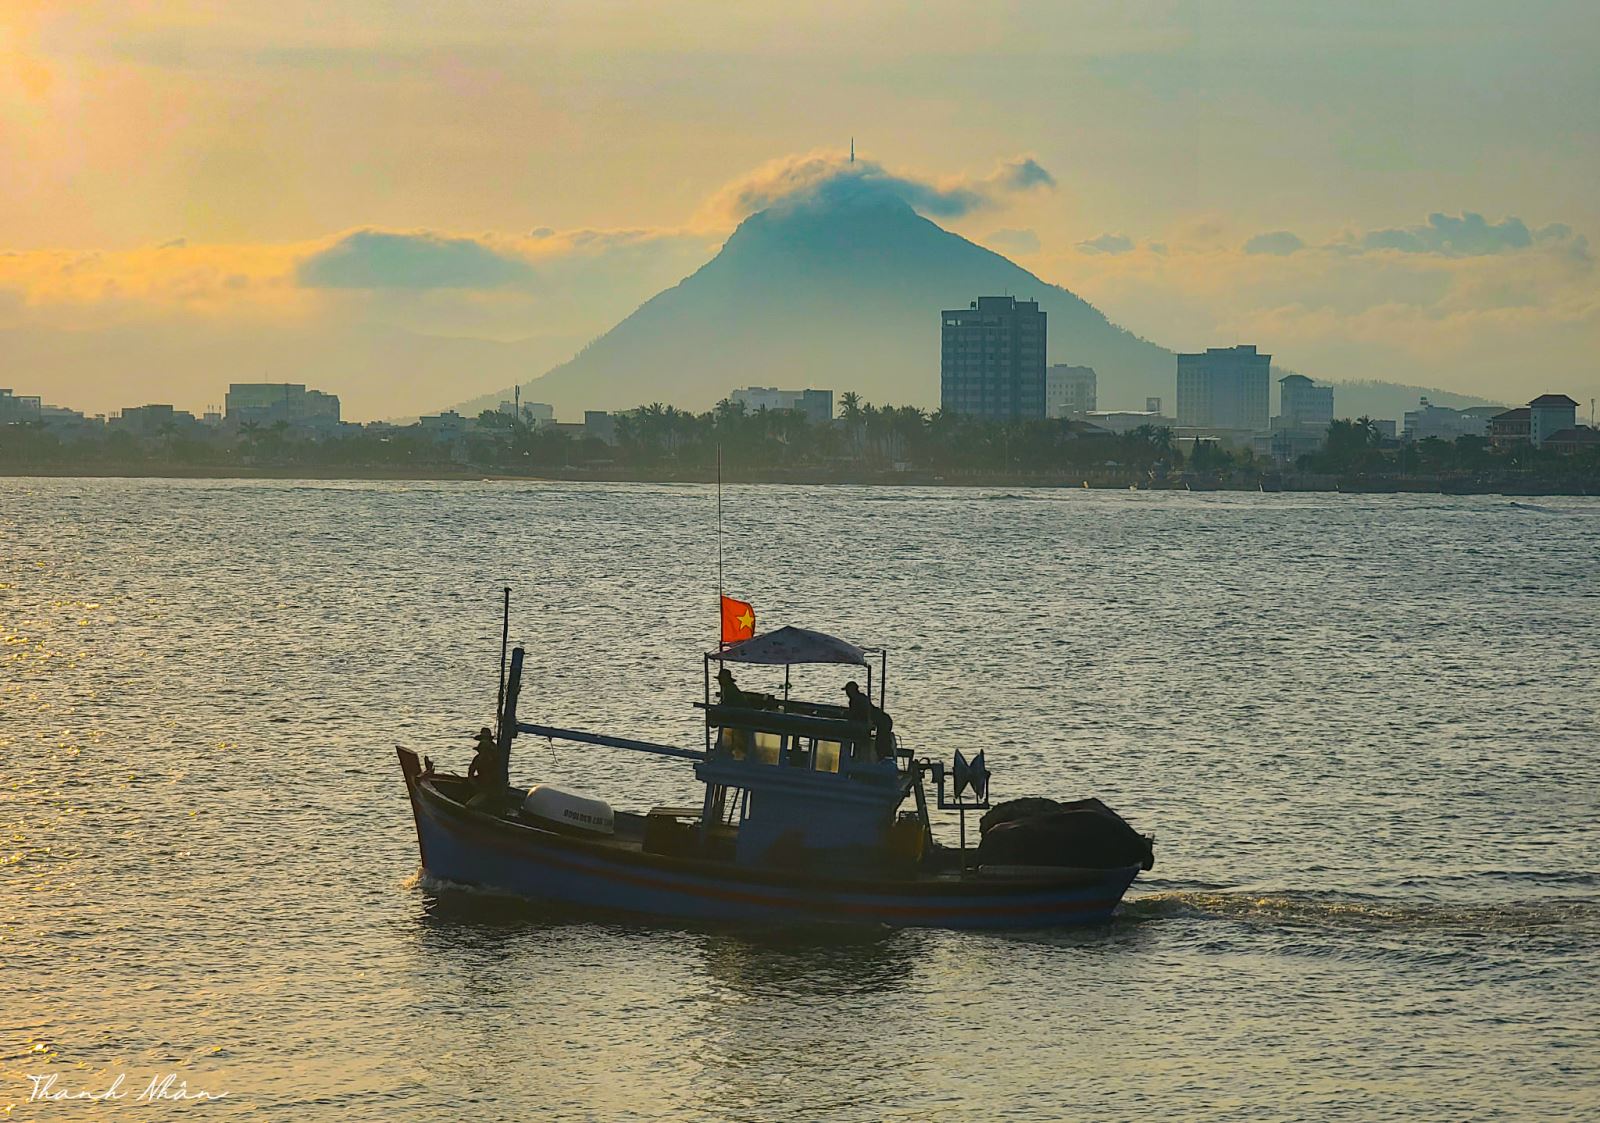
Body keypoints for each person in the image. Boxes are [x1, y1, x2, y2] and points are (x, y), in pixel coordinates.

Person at [842, 681, 895, 761]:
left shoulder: (855, 700)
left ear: (851, 691)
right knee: (882, 743)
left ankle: (886, 762)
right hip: (885, 720)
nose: (846, 693)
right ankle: (885, 760)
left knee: (881, 744)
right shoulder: (861, 697)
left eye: (847, 691)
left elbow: (855, 714)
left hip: (883, 722)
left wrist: (845, 714)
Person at [466, 726, 503, 808]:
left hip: (492, 787)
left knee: (471, 805)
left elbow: (497, 775)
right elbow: (470, 773)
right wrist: (474, 783)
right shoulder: (478, 759)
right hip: (481, 785)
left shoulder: (496, 759)